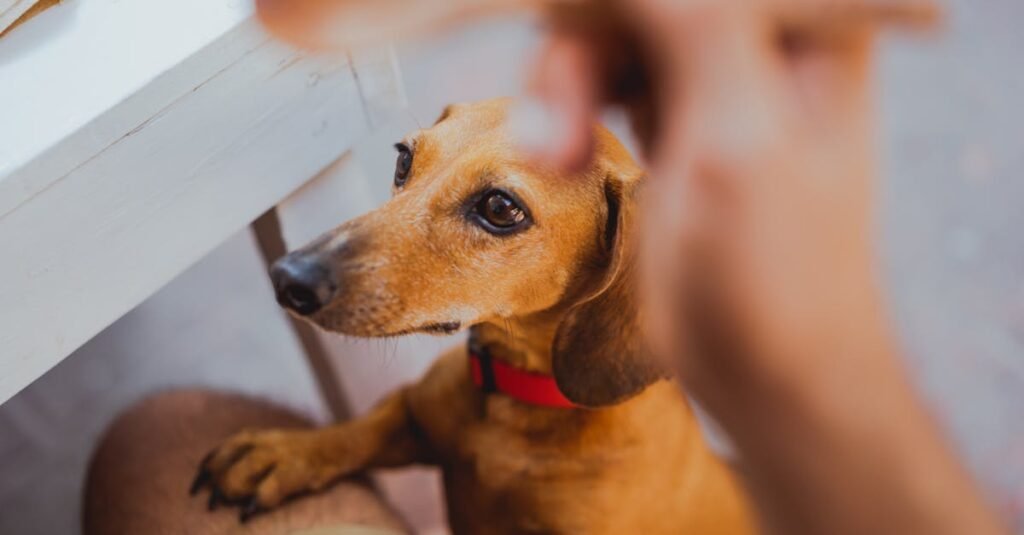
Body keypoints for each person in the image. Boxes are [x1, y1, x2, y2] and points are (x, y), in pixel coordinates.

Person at [85, 1, 1009, 534]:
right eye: (413, 165)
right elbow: (421, 416)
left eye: (497, 213)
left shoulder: (612, 492)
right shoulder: (481, 370)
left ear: (613, 268)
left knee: (151, 442)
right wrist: (329, 449)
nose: (320, 264)